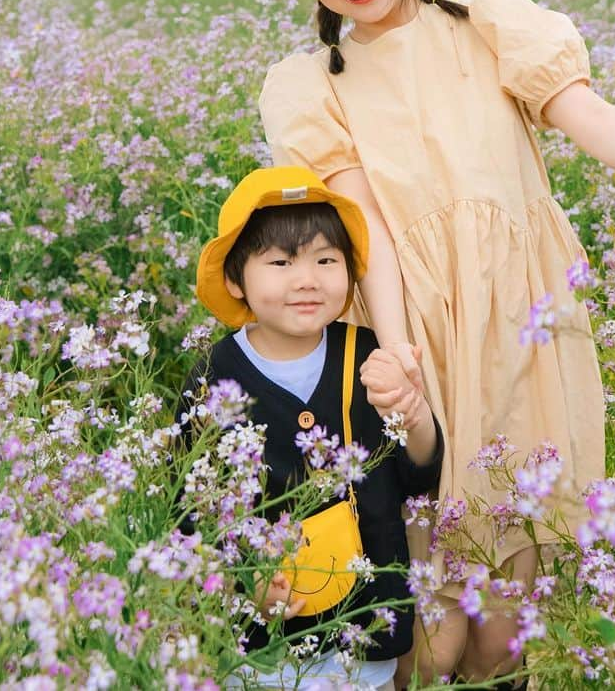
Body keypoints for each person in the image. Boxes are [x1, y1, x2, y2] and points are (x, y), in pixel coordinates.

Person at [258, 0, 615, 684]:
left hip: (525, 316)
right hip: (408, 323)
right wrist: (398, 359)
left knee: (510, 597)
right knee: (431, 593)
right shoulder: (312, 82)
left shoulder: (489, 24)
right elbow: (365, 225)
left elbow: (582, 113)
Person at [185, 166, 443, 690]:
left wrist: (413, 415)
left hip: (363, 627)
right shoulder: (213, 377)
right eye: (280, 263)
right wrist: (242, 582)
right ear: (236, 280)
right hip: (265, 640)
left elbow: (420, 474)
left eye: (327, 260)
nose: (307, 279)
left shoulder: (366, 354)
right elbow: (190, 511)